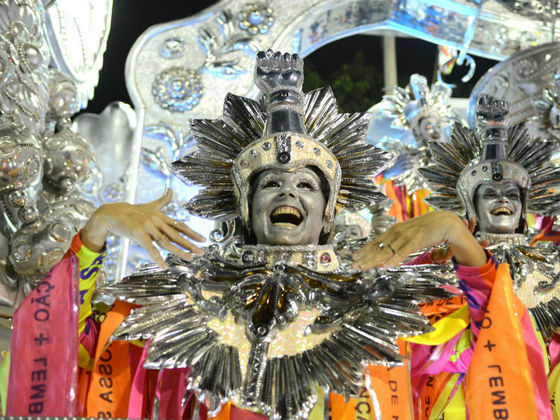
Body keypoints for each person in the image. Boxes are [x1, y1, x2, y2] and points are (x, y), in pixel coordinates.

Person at [6, 51, 492, 419]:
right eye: (272, 183)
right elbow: (71, 343)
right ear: (245, 208)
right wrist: (100, 226)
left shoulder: (378, 305)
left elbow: (496, 338)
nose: (288, 192)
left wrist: (455, 232)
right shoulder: (184, 299)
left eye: (307, 184)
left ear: (327, 215)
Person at [355, 95, 560, 419]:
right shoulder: (437, 265)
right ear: (471, 212)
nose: (501, 199)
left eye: (511, 194)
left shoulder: (552, 266)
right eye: (489, 193)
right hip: (452, 399)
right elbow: (412, 344)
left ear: (524, 210)